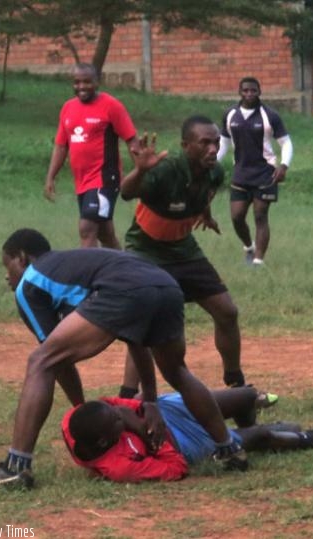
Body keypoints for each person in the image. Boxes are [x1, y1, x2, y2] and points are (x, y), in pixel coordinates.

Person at [0, 229, 249, 491]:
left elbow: (54, 358)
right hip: (165, 284)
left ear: (22, 258)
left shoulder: (30, 281)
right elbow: (135, 336)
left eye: (7, 266)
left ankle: (15, 468)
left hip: (128, 289)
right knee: (176, 370)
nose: (7, 276)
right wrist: (147, 399)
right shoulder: (73, 264)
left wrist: (80, 409)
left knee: (40, 361)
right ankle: (228, 449)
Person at [118, 115, 246, 393]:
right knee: (146, 321)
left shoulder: (215, 172)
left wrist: (206, 215)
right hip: (147, 249)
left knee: (227, 311)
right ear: (186, 146)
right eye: (205, 143)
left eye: (215, 142)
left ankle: (236, 384)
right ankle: (128, 394)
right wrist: (140, 171)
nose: (213, 149)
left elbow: (203, 194)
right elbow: (126, 193)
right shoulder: (165, 170)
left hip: (184, 249)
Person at [61, 386, 313, 483]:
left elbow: (116, 405)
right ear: (105, 442)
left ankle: (251, 431)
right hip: (180, 445)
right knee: (262, 436)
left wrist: (144, 410)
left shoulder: (75, 420)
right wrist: (159, 443)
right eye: (116, 426)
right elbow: (175, 469)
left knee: (246, 396)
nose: (119, 421)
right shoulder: (119, 467)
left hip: (167, 411)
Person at [43, 63, 139, 249]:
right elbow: (61, 146)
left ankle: (87, 276)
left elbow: (131, 140)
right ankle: (125, 271)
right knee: (105, 234)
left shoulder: (111, 106)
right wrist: (50, 177)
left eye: (87, 82)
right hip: (82, 182)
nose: (81, 87)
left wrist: (142, 174)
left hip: (104, 179)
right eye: (77, 82)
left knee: (87, 228)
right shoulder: (67, 108)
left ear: (97, 82)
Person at [217, 77, 294, 267]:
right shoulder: (230, 114)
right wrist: (213, 162)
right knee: (236, 217)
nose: (249, 94)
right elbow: (223, 143)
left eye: (253, 90)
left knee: (260, 216)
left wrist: (283, 166)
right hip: (240, 173)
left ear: (259, 92)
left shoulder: (270, 116)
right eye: (245, 90)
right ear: (239, 92)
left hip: (265, 173)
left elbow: (286, 142)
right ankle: (248, 247)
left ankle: (258, 261)